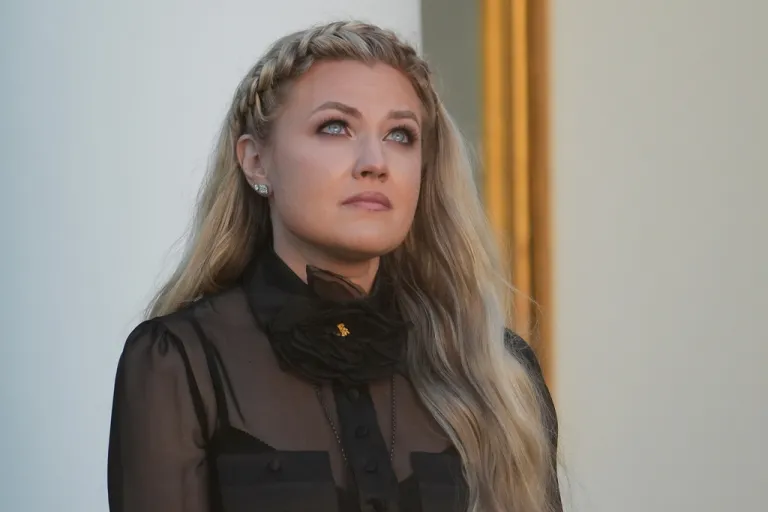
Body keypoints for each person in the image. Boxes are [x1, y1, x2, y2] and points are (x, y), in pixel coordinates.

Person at [107, 20, 561, 512]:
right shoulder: (179, 361)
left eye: (400, 135)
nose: (374, 161)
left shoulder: (498, 371)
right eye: (336, 127)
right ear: (256, 161)